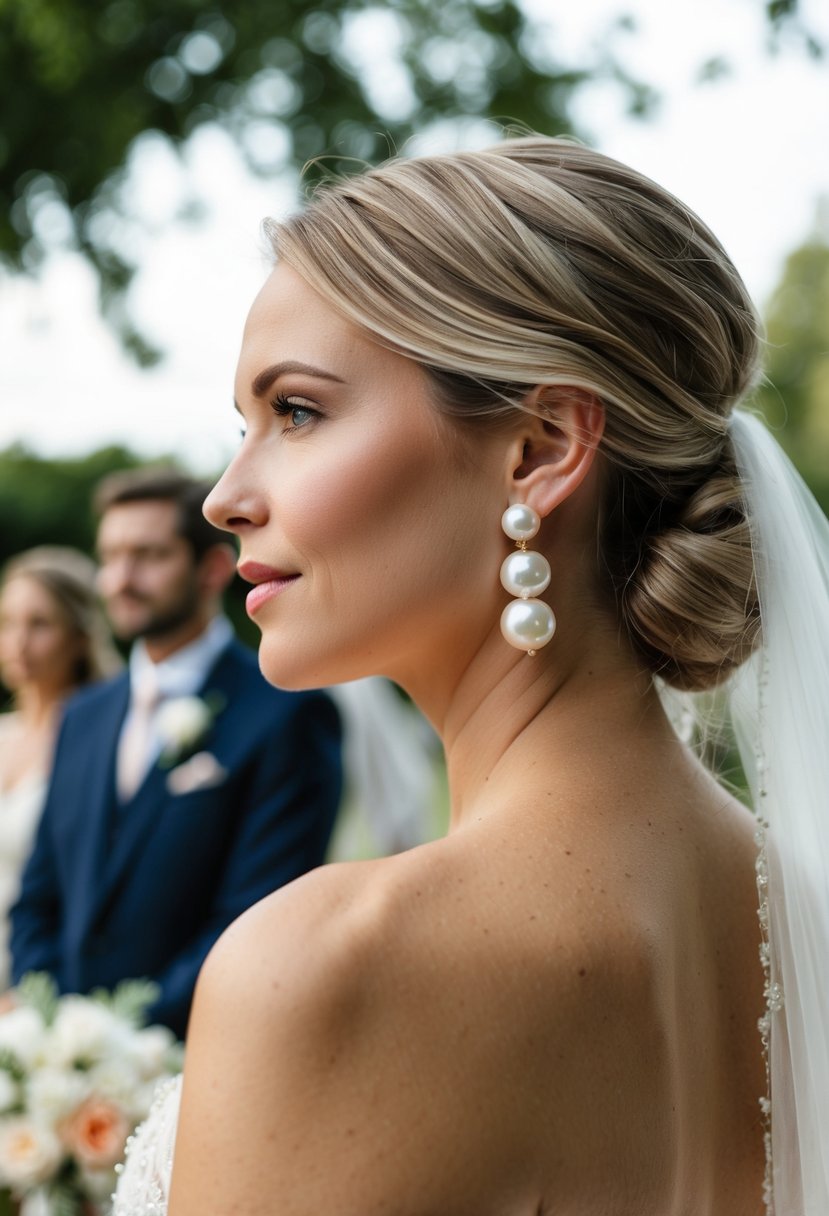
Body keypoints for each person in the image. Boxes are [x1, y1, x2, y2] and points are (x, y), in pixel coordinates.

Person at [114, 137, 829, 1214]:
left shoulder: (329, 967)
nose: (224, 495)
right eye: (241, 426)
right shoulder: (805, 929)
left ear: (541, 448)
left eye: (296, 412)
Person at [10, 470, 343, 1039]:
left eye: (147, 556)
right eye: (110, 556)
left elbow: (254, 919)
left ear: (212, 568)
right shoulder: (82, 714)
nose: (119, 579)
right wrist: (55, 1031)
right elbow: (38, 896)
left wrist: (118, 1040)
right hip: (59, 1061)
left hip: (197, 1055)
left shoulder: (285, 714)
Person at [0, 546, 119, 990]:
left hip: (38, 983)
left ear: (79, 635)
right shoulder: (3, 733)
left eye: (40, 624)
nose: (18, 644)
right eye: (8, 622)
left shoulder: (104, 744)